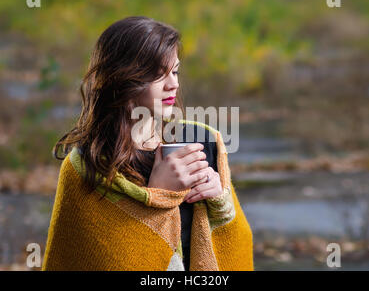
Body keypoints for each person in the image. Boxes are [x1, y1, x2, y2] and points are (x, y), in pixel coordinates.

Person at [42, 16, 253, 271]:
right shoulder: (87, 167)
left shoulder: (204, 143)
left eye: (175, 71)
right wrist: (157, 197)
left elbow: (240, 245)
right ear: (122, 78)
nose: (173, 84)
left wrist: (221, 204)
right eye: (157, 74)